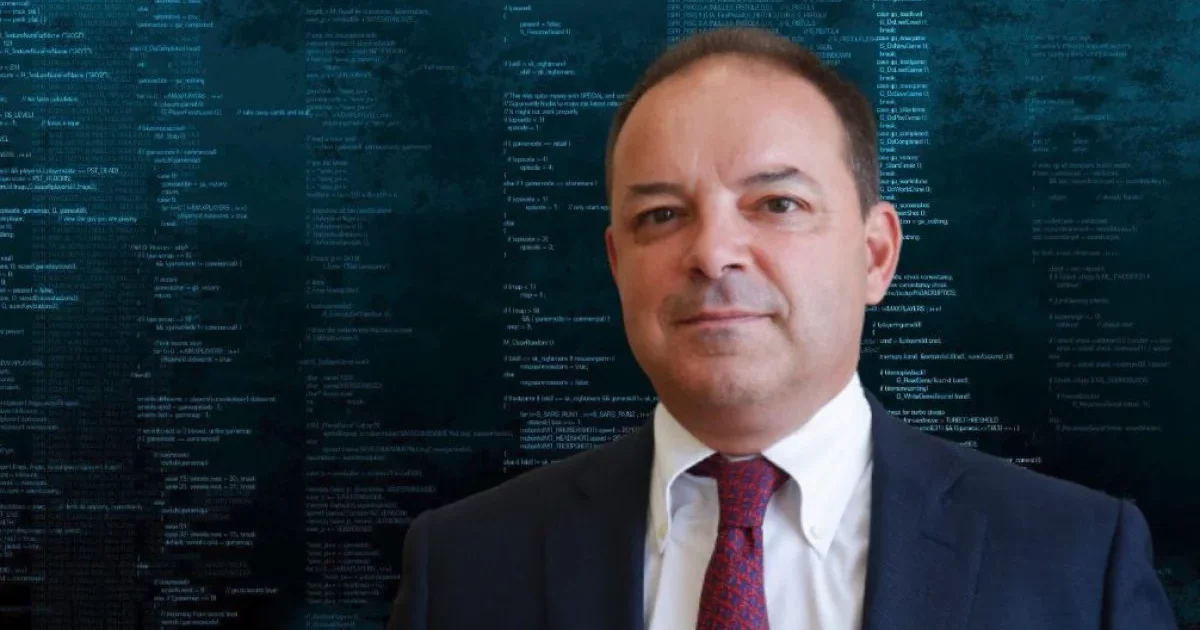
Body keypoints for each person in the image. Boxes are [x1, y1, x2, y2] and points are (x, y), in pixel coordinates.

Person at [386, 26, 1177, 630]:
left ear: (876, 254)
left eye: (777, 203)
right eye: (661, 215)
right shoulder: (460, 566)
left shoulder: (1081, 560)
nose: (712, 252)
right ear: (618, 263)